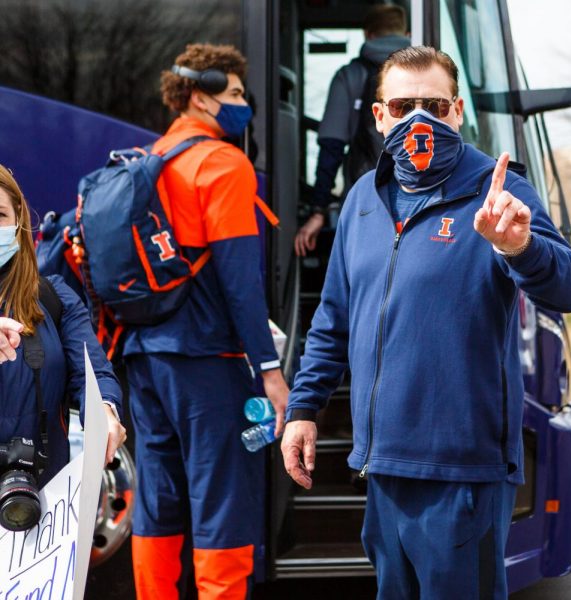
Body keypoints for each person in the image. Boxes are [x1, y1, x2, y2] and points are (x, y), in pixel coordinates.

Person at [280, 46, 571, 599]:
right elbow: (333, 319)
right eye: (403, 105)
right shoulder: (363, 200)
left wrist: (519, 248)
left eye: (433, 104)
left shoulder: (499, 191)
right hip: (383, 468)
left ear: (457, 111)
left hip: (463, 472)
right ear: (379, 117)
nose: (418, 119)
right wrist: (304, 408)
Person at [126, 44, 289, 599]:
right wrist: (269, 370)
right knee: (223, 500)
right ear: (200, 96)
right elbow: (240, 280)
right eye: (236, 95)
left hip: (144, 358)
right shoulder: (221, 163)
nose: (245, 105)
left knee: (156, 501)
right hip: (207, 363)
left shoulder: (150, 159)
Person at [0, 164, 126, 487]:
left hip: (41, 504)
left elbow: (92, 372)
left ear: (18, 223)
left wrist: (105, 412)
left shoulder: (54, 297)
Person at [294, 4, 410, 257]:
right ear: (408, 35)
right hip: (422, 201)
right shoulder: (427, 78)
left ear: (367, 34)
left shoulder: (349, 76)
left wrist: (318, 211)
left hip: (367, 202)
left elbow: (331, 146)